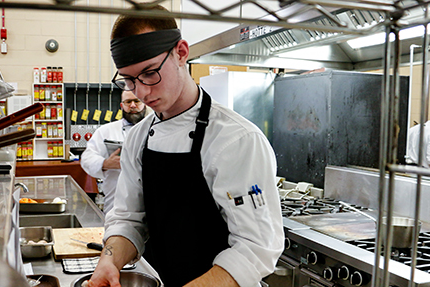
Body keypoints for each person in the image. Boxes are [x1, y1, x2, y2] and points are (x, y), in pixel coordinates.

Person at [89, 5, 284, 287]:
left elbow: (257, 248)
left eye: (150, 73)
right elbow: (129, 219)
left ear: (181, 52)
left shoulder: (236, 140)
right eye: (129, 80)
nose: (141, 92)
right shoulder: (138, 137)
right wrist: (109, 259)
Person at [81, 90, 147, 214]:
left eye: (137, 101)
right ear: (122, 106)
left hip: (150, 200)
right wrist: (105, 163)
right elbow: (87, 158)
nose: (133, 105)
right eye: (128, 102)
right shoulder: (106, 130)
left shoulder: (156, 128)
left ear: (144, 104)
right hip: (116, 202)